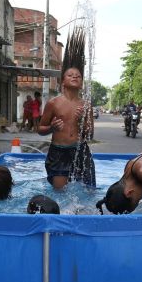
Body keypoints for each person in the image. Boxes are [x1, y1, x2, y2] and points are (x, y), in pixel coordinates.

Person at [38, 27, 96, 189]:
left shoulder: (86, 105)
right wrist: (52, 127)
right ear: (63, 82)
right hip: (59, 151)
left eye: (78, 76)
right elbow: (40, 129)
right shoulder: (54, 103)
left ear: (81, 82)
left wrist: (80, 123)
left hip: (80, 150)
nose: (75, 77)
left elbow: (90, 135)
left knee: (89, 190)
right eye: (70, 75)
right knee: (60, 192)